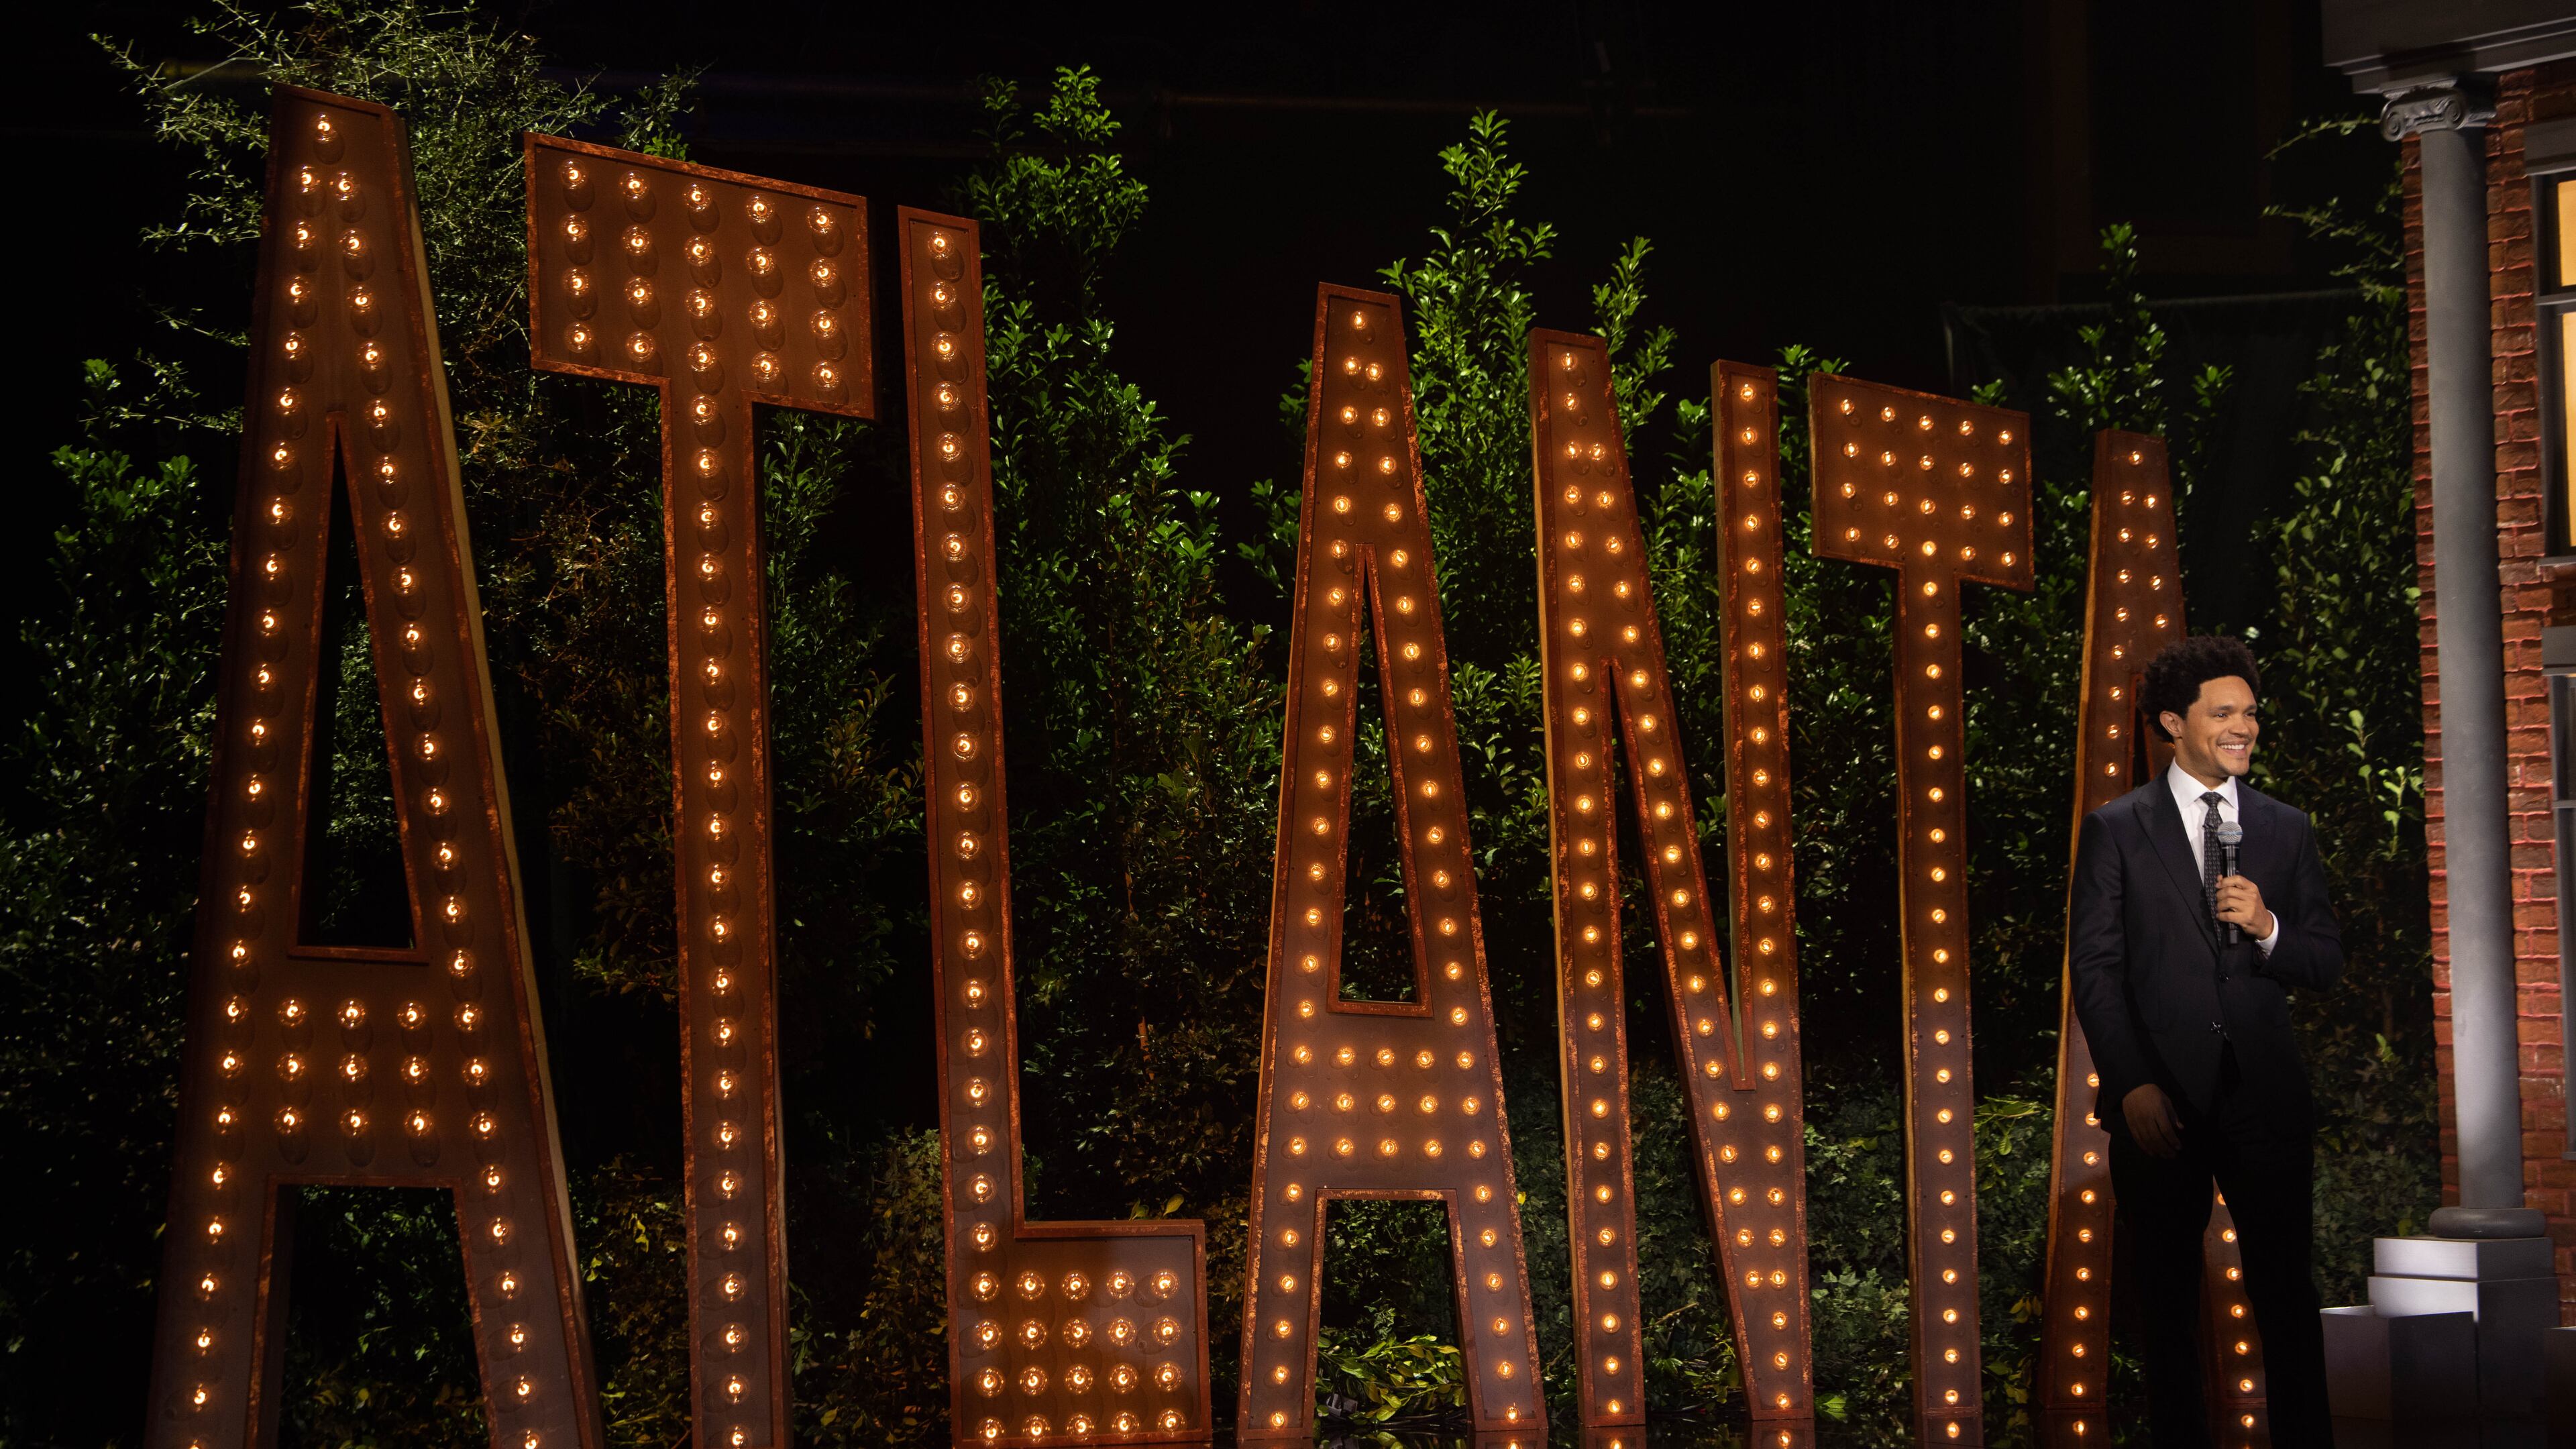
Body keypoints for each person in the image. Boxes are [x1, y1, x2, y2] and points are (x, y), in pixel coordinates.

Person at [2068, 633, 2343, 1446]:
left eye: (2250, 713)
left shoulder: (2285, 829)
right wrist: (2131, 1084)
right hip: (2161, 1104)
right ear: (2171, 724)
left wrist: (2267, 927)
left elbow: (2324, 959)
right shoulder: (2117, 828)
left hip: (2264, 1098)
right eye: (2223, 713)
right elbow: (2097, 969)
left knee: (2288, 1299)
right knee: (2166, 1307)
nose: (2243, 728)